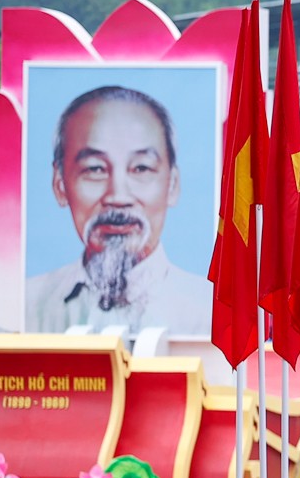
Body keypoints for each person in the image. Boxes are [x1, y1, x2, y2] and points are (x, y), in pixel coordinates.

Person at [26, 85, 209, 334]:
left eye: (141, 168)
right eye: (95, 169)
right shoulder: (27, 305)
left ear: (173, 185)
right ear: (59, 184)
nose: (118, 197)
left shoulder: (209, 311)